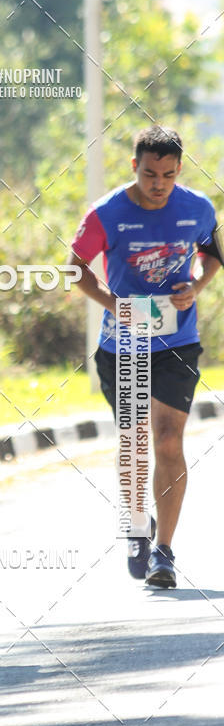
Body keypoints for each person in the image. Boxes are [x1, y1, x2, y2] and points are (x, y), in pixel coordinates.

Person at [69, 125, 223, 588]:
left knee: (169, 440)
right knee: (135, 442)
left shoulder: (197, 208)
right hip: (123, 345)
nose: (159, 184)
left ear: (180, 170)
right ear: (134, 166)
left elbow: (214, 255)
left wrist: (195, 286)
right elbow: (74, 269)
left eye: (169, 175)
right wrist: (116, 304)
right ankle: (138, 524)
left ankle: (165, 552)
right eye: (150, 173)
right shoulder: (106, 214)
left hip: (177, 340)